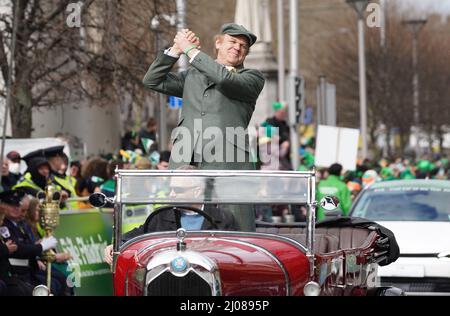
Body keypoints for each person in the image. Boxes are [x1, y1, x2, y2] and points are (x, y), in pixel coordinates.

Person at [143, 23, 265, 170]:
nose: (237, 47)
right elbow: (152, 80)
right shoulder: (193, 74)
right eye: (232, 42)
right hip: (185, 159)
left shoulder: (252, 77)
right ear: (218, 43)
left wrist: (190, 50)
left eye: (243, 46)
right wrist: (176, 50)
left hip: (227, 163)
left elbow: (223, 79)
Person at [103, 165, 239, 266]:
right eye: (171, 189)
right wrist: (114, 246)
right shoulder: (161, 216)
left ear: (197, 191)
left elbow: (234, 253)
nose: (172, 194)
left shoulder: (223, 218)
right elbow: (138, 234)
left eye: (178, 190)